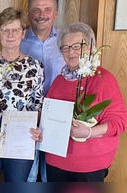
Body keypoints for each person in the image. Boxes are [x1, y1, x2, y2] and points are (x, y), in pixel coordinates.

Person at [45, 22, 127, 182]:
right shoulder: (59, 80)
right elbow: (50, 118)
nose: (70, 52)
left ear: (90, 47)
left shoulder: (104, 79)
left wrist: (89, 132)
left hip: (90, 166)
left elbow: (119, 122)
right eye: (65, 47)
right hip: (56, 161)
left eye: (77, 46)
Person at [0, 7, 44, 182]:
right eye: (5, 30)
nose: (10, 35)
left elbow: (37, 105)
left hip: (20, 139)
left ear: (23, 33)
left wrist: (36, 127)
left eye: (15, 30)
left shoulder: (35, 66)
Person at [19, 0, 65, 182]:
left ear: (55, 13)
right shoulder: (17, 41)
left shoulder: (67, 41)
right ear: (29, 14)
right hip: (27, 114)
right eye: (36, 10)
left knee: (52, 174)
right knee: (27, 174)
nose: (41, 15)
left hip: (59, 115)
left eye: (47, 9)